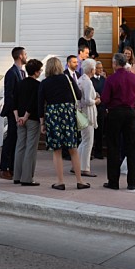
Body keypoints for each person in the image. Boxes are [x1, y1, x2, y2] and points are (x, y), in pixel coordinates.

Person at [38, 56, 89, 190]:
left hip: (53, 115)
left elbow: (40, 104)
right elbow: (78, 95)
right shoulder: (67, 79)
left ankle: (60, 182)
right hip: (67, 114)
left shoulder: (44, 83)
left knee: (57, 150)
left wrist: (42, 123)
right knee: (73, 149)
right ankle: (80, 181)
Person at [101, 52, 135, 190]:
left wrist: (108, 108)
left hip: (115, 113)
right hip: (130, 112)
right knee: (131, 147)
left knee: (113, 147)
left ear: (115, 64)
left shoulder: (111, 79)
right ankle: (132, 182)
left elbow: (105, 98)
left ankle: (113, 181)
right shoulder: (134, 78)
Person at [12, 58, 43, 187]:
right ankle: (27, 178)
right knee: (30, 148)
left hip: (19, 118)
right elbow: (33, 103)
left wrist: (17, 117)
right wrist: (25, 116)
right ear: (36, 72)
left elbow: (14, 101)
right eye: (40, 70)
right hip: (32, 119)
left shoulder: (20, 83)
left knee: (20, 147)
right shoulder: (38, 85)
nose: (41, 72)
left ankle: (17, 176)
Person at [0, 46, 27, 180]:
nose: (27, 56)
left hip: (20, 110)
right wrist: (15, 113)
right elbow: (9, 94)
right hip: (12, 111)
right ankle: (4, 168)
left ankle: (13, 167)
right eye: (25, 54)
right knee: (10, 138)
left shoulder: (22, 72)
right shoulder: (11, 73)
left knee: (17, 139)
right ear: (20, 56)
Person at [75, 58, 100, 178]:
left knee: (84, 140)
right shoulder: (88, 82)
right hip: (88, 113)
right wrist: (97, 100)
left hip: (81, 112)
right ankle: (85, 168)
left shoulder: (81, 79)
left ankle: (77, 164)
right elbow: (88, 100)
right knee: (88, 141)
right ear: (91, 69)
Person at [91, 62, 107, 160]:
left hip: (101, 108)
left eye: (101, 68)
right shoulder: (90, 80)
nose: (100, 70)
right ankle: (91, 152)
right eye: (98, 68)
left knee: (100, 131)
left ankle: (98, 151)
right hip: (93, 107)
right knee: (92, 130)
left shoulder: (104, 80)